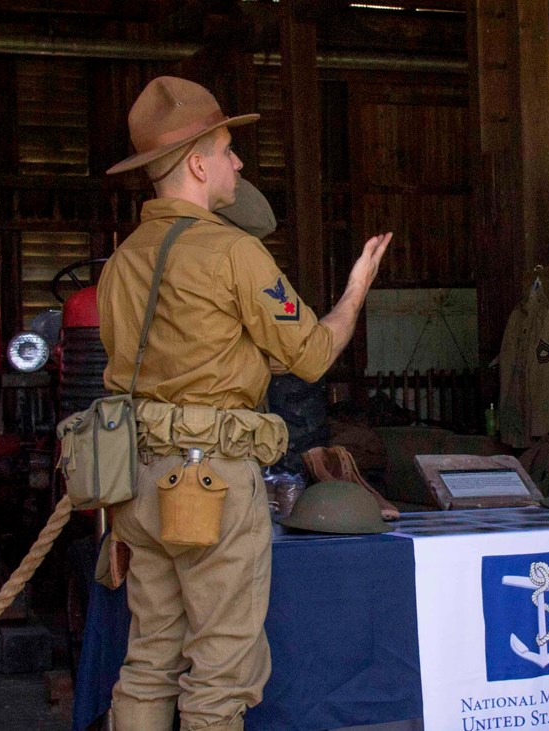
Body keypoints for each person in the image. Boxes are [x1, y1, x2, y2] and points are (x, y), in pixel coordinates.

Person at [97, 76, 391, 731]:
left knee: (147, 660)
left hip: (135, 481)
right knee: (220, 675)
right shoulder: (236, 251)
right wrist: (353, 294)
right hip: (211, 481)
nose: (236, 163)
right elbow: (311, 354)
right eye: (228, 150)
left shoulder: (118, 263)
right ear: (198, 163)